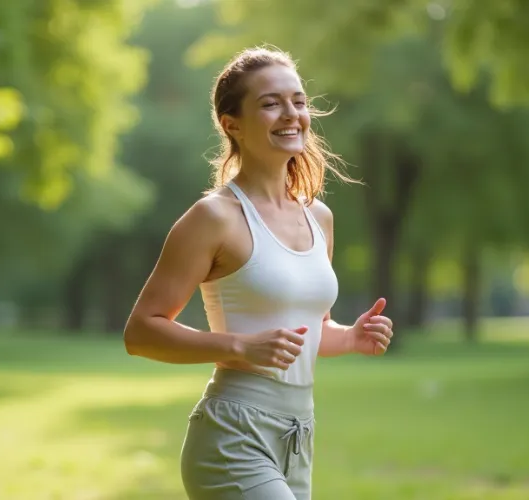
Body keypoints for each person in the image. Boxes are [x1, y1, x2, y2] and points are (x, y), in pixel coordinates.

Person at [123, 46, 395, 500]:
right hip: (232, 435)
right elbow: (141, 332)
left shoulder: (319, 217)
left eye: (298, 101)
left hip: (297, 436)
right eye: (270, 103)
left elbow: (307, 333)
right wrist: (238, 346)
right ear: (232, 124)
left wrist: (348, 337)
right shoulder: (213, 218)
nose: (291, 114)